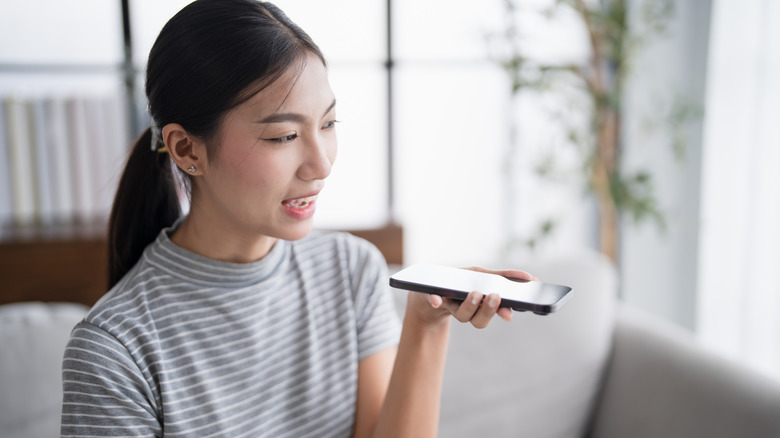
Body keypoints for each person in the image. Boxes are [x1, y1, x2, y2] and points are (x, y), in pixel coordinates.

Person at [60, 1, 535, 436]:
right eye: (284, 136)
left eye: (328, 124)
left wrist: (426, 324)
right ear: (187, 149)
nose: (322, 165)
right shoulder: (113, 351)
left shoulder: (351, 270)